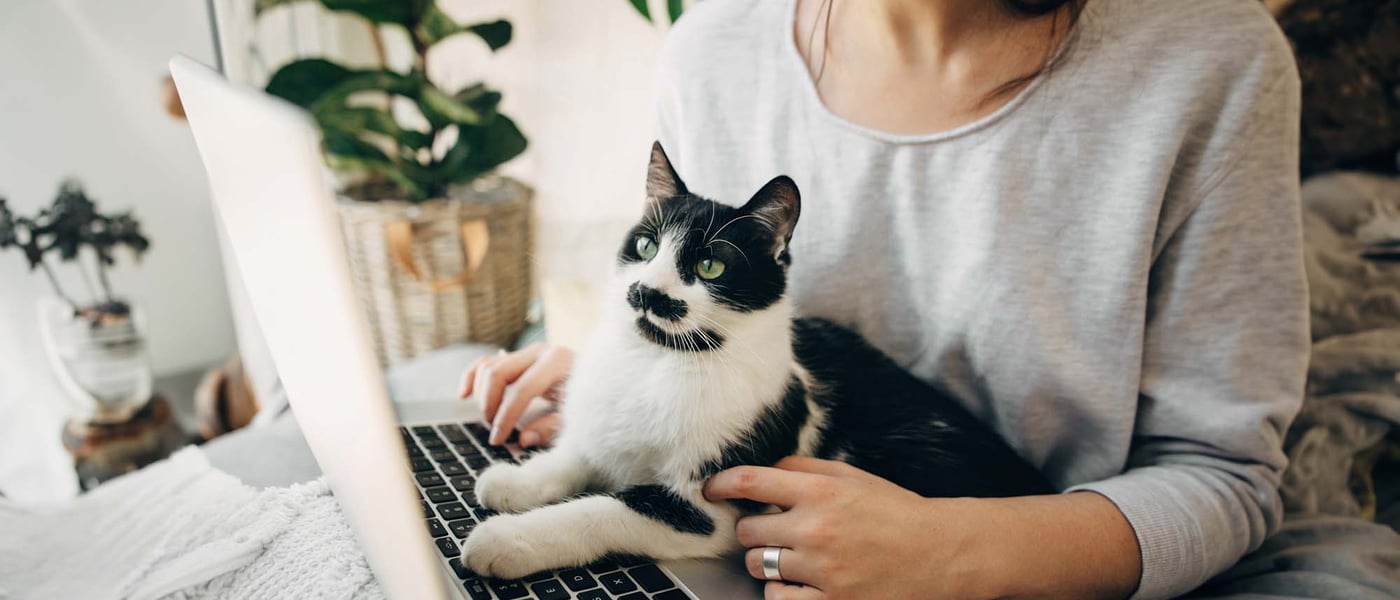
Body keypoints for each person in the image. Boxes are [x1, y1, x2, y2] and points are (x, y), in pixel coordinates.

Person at [460, 0, 1317, 598]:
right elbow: (717, 303)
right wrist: (640, 380)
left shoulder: (1212, 58)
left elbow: (1227, 478)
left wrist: (955, 552)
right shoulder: (713, 45)